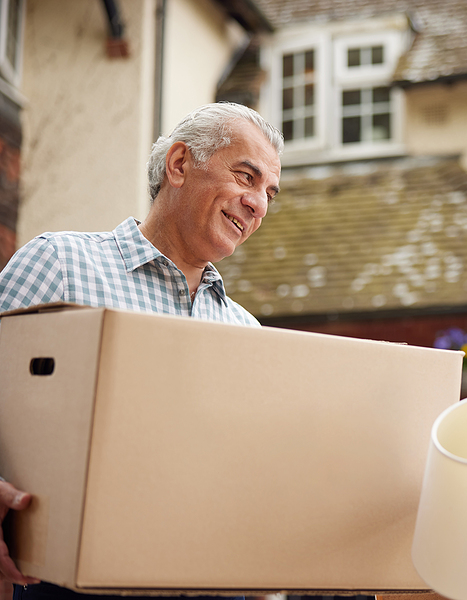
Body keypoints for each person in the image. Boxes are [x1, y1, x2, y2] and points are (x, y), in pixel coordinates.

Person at [0, 102, 283, 600]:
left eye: (268, 194)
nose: (258, 203)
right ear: (179, 165)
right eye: (246, 177)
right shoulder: (60, 263)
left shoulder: (246, 330)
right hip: (72, 582)